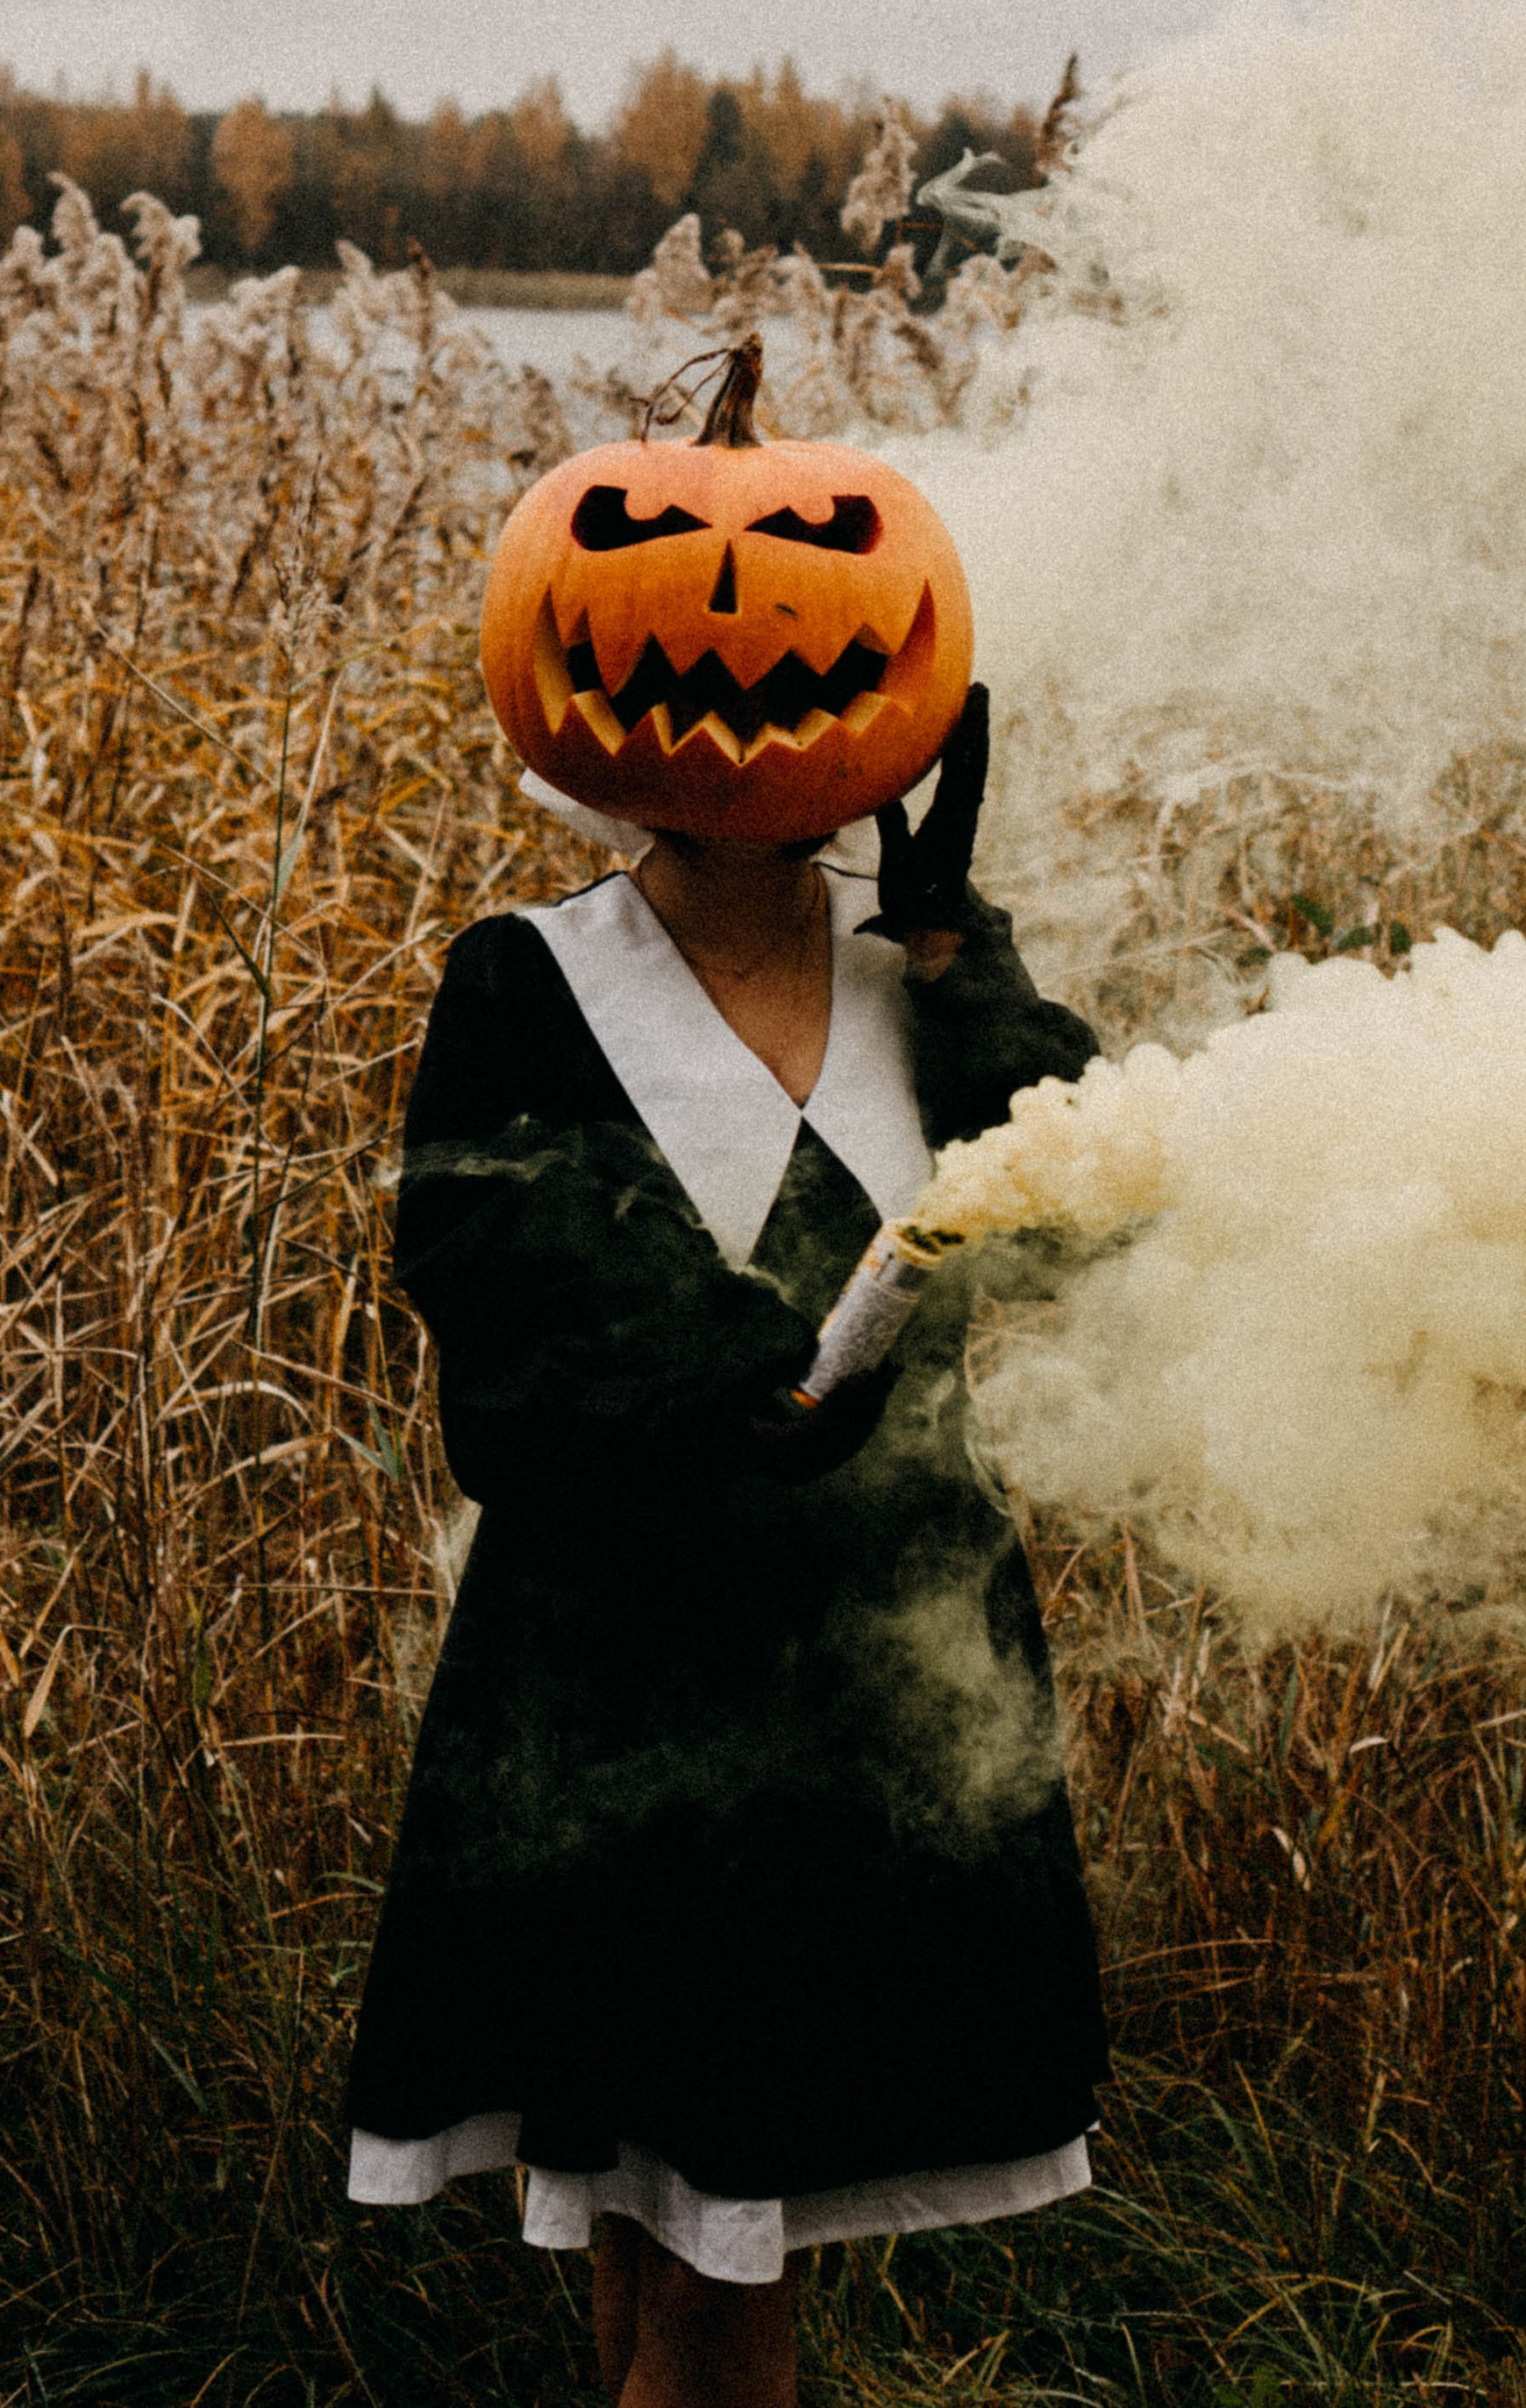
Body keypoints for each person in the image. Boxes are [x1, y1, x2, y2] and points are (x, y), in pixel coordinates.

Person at [346, 686, 1109, 2408]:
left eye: (812, 687)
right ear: (602, 710)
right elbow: (501, 1328)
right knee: (696, 2293)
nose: (758, 730)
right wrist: (729, 1392)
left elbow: (1080, 1211)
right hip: (621, 1696)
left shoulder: (908, 981)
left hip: (885, 1694)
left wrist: (954, 951)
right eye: (720, 682)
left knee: (676, 2258)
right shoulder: (525, 981)